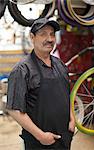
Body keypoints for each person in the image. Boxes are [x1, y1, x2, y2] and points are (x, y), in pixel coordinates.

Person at [6, 17, 75, 150]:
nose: (49, 39)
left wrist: (72, 119)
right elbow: (14, 109)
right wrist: (41, 136)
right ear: (32, 37)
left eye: (52, 34)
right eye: (43, 34)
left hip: (65, 137)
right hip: (40, 142)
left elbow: (67, 94)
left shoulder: (60, 64)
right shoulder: (22, 70)